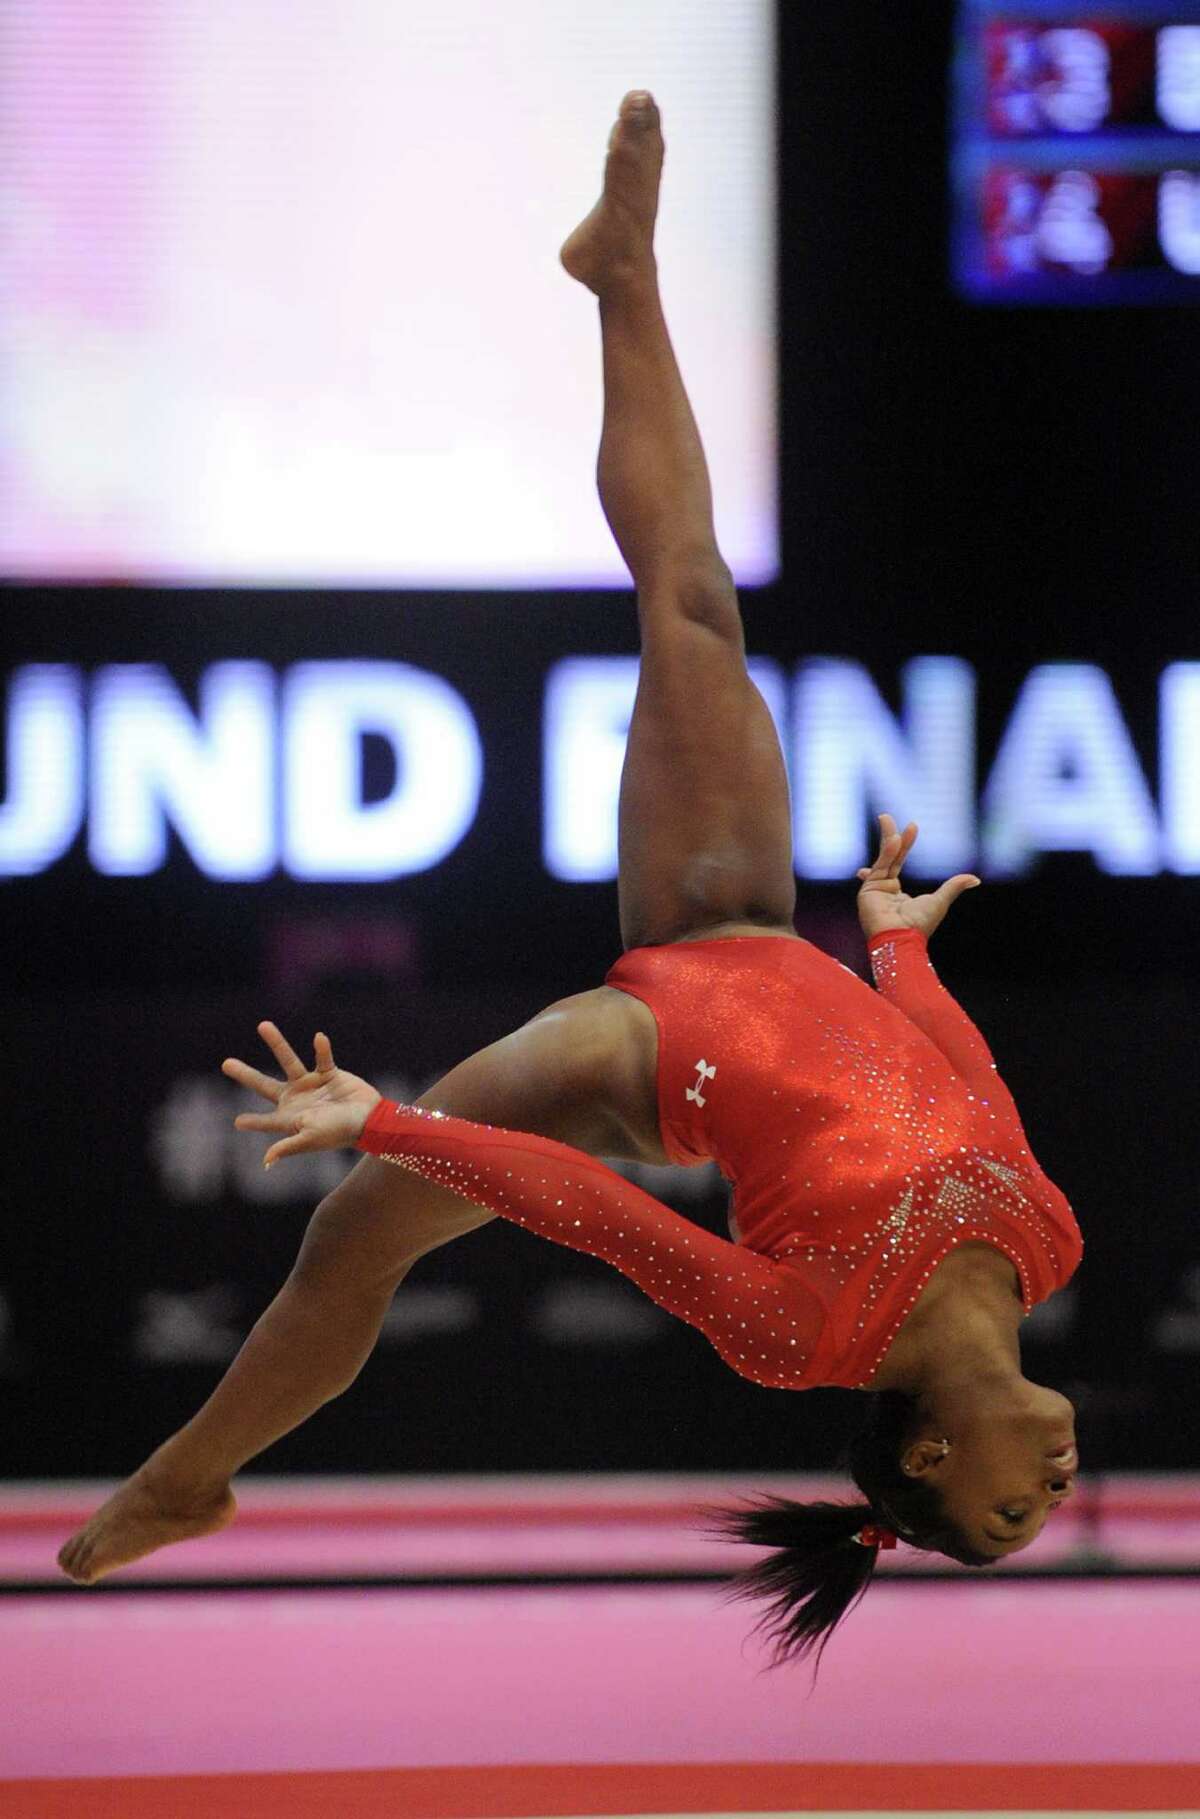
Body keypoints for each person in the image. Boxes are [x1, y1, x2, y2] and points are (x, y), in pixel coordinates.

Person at [58, 91, 1083, 1680]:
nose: (1054, 1493)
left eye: (1011, 1518)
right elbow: (970, 1089)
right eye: (1047, 1519)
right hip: (757, 930)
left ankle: (187, 1474)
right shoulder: (1051, 1243)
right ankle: (624, 272)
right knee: (692, 603)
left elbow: (604, 1211)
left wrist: (396, 1120)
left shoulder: (810, 1342)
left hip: (641, 1048)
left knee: (359, 1228)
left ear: (935, 1465)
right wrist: (893, 955)